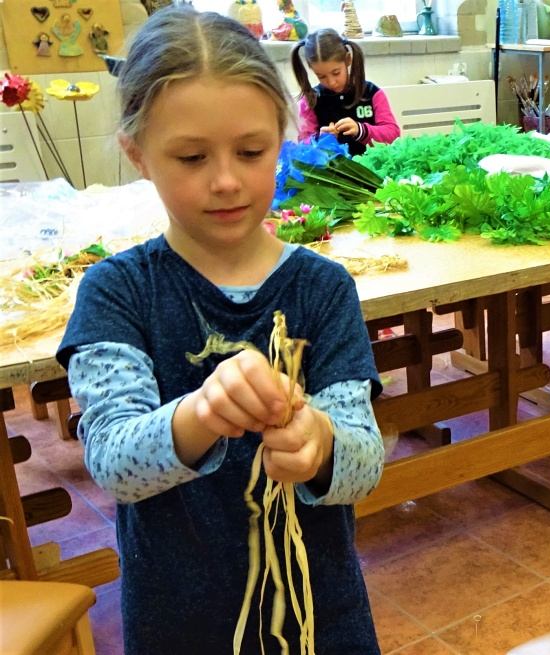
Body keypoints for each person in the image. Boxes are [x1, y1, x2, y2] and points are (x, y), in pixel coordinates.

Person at [56, 6, 384, 654]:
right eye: (192, 156)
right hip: (182, 624)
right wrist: (202, 411)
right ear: (138, 154)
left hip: (323, 618)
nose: (227, 179)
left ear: (282, 140)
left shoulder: (323, 288)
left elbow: (365, 460)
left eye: (251, 151)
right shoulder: (120, 292)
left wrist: (320, 442)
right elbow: (115, 460)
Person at [291, 28, 399, 156]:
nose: (331, 82)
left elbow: (393, 135)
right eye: (321, 76)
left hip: (373, 169)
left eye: (336, 73)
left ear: (348, 60)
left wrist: (361, 130)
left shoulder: (372, 93)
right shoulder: (310, 101)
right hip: (332, 172)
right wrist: (321, 140)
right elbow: (302, 146)